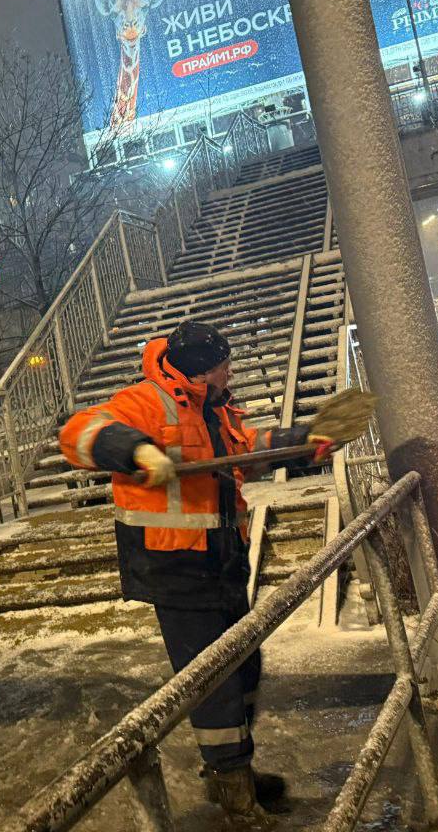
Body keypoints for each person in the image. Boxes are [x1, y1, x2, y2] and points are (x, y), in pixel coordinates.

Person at [59, 320, 334, 829]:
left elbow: (244, 450)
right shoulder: (147, 400)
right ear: (201, 368)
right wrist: (136, 450)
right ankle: (234, 796)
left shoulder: (214, 406)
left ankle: (234, 770)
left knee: (245, 668)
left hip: (223, 560)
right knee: (216, 683)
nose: (231, 370)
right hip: (176, 568)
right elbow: (78, 433)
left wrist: (301, 442)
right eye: (224, 363)